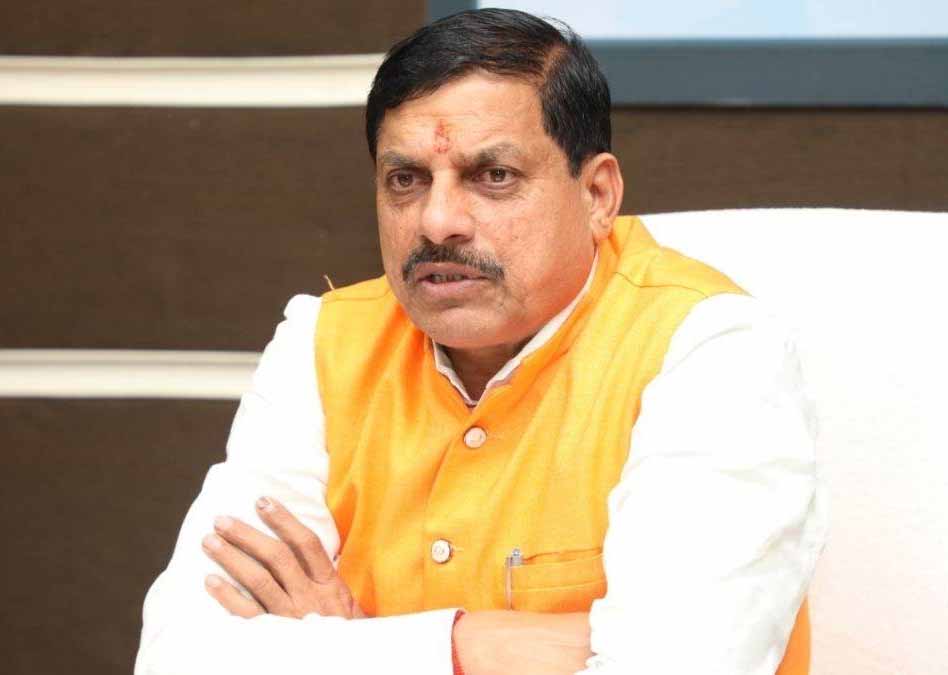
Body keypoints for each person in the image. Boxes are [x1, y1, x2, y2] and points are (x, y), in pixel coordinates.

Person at [135, 8, 827, 675]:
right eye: (406, 180)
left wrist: (348, 647)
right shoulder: (323, 344)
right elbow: (177, 658)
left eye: (493, 176)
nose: (437, 221)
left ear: (597, 195)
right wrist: (473, 647)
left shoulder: (710, 351)